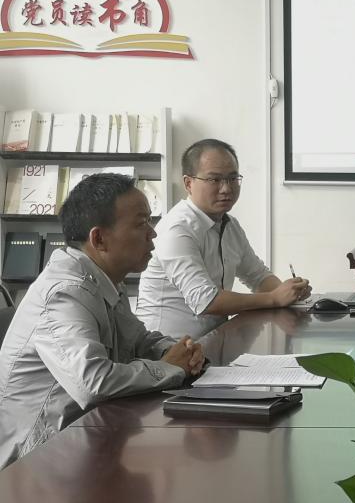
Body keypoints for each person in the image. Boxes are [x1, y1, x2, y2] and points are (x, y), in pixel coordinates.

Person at [0, 174, 205, 469]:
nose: (153, 233)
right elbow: (92, 382)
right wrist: (170, 367)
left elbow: (138, 339)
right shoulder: (65, 292)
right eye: (141, 224)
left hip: (84, 440)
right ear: (99, 239)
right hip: (34, 463)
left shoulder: (103, 279)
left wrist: (179, 351)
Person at [136, 139, 311, 338]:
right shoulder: (176, 228)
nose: (226, 188)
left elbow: (258, 276)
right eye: (215, 180)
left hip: (210, 342)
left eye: (232, 178)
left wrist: (290, 292)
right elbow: (205, 300)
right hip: (168, 348)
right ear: (188, 183)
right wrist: (273, 298)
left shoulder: (230, 225)